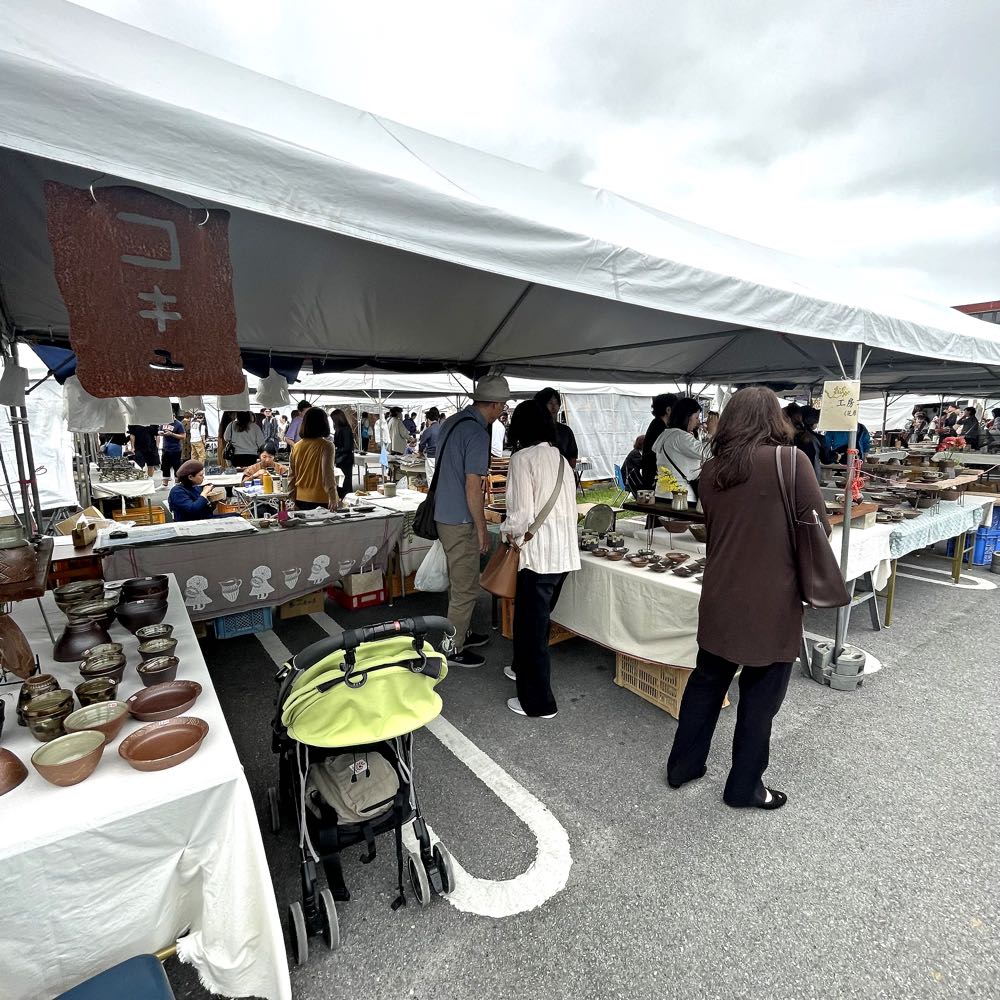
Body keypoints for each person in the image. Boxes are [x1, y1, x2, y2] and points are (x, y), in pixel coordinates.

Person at [666, 386, 830, 811]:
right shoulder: (790, 461)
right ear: (774, 418)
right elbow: (820, 527)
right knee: (760, 696)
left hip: (720, 591)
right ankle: (744, 786)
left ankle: (683, 766)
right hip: (773, 597)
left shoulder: (712, 470)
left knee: (706, 682)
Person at [502, 400, 581, 718]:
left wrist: (507, 533)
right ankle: (520, 668)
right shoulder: (560, 458)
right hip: (564, 555)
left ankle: (539, 703)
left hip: (537, 557)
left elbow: (520, 514)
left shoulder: (522, 458)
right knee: (537, 622)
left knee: (532, 629)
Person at [434, 373, 510, 668]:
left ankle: (460, 632)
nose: (502, 411)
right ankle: (451, 648)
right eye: (502, 406)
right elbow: (472, 486)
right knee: (466, 586)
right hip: (460, 519)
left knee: (458, 582)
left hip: (444, 514)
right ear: (495, 404)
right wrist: (482, 529)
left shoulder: (452, 422)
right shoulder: (478, 433)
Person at [652, 397, 706, 502]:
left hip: (663, 492)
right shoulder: (680, 436)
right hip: (678, 494)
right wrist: (715, 432)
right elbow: (707, 452)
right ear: (687, 417)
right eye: (696, 417)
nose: (698, 421)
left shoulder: (667, 434)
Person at [287, 406, 340, 510]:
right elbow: (327, 473)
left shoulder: (296, 446)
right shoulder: (327, 446)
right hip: (321, 499)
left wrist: (292, 499)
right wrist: (333, 496)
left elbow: (292, 476)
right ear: (324, 424)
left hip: (300, 498)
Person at [640, 393, 677, 490]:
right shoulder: (660, 428)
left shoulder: (657, 424)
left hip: (652, 474)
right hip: (653, 476)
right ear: (668, 410)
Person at [533, 388, 578, 467]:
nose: (554, 407)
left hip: (562, 472)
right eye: (550, 403)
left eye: (556, 403)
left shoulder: (566, 431)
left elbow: (572, 458)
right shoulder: (534, 430)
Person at [794, 406, 832, 479]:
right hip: (811, 477)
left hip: (791, 476)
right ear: (812, 422)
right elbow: (826, 459)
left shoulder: (789, 436)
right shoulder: (817, 438)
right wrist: (836, 456)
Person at [329, 408, 355, 498]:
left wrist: (335, 450)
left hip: (345, 459)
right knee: (341, 482)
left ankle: (346, 498)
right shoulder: (340, 429)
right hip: (342, 458)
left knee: (345, 482)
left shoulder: (345, 430)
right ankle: (342, 498)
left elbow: (346, 447)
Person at [159, 406, 186, 488]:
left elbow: (183, 436)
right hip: (165, 448)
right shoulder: (163, 422)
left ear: (173, 414)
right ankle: (164, 484)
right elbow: (159, 431)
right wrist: (161, 433)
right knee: (165, 466)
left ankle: (177, 483)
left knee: (176, 466)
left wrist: (172, 434)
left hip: (175, 449)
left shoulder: (178, 424)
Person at [418, 406, 443, 480]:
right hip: (442, 456)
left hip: (431, 457)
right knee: (440, 478)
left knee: (431, 478)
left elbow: (422, 444)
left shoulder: (428, 430)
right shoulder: (443, 428)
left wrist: (420, 453)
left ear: (428, 419)